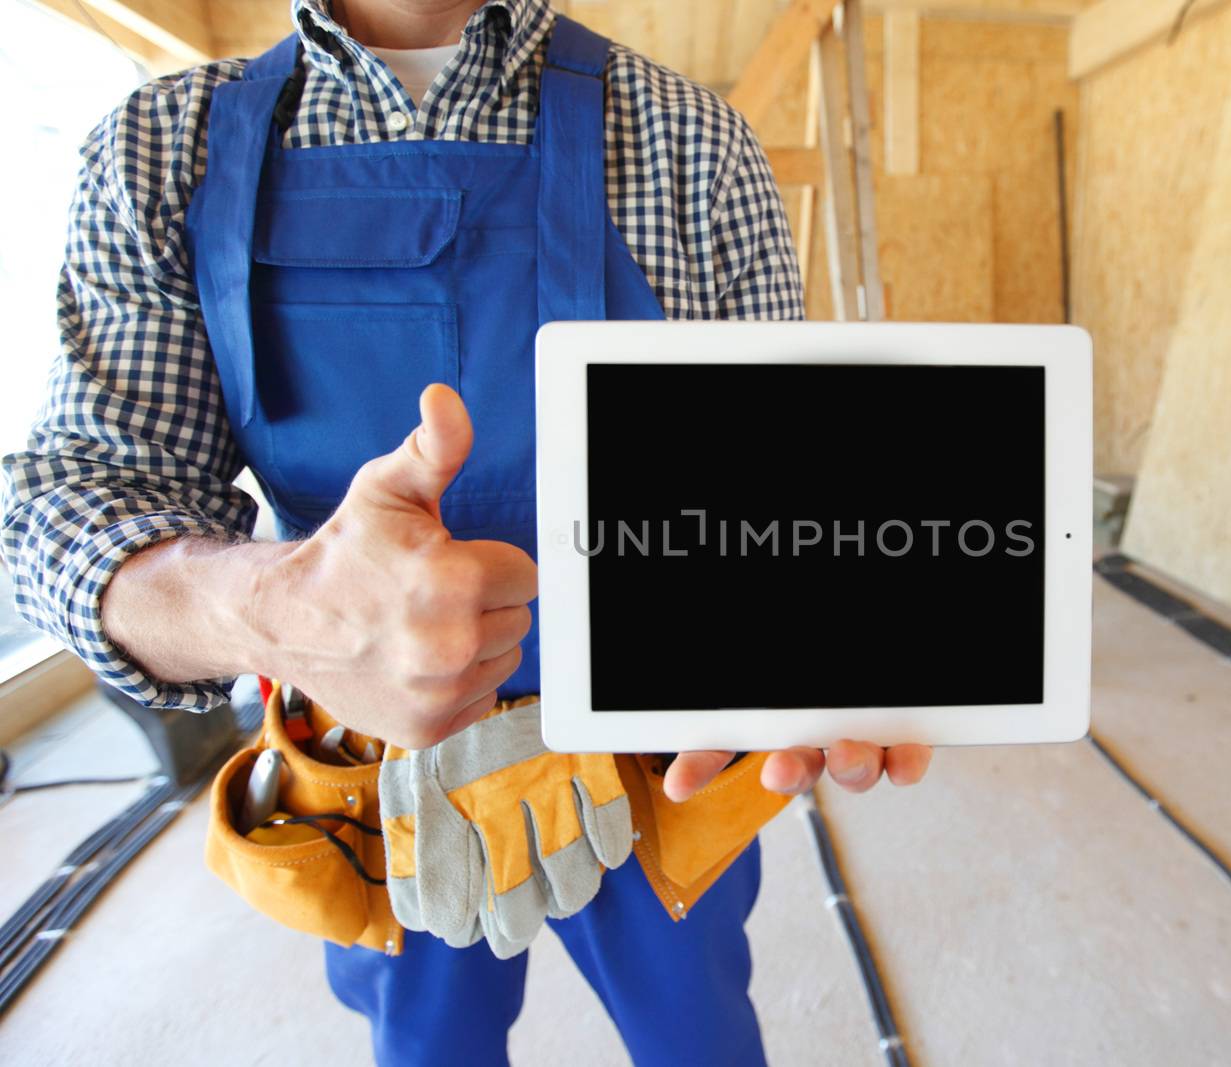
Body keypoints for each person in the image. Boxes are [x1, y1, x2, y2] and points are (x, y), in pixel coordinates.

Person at [0, 1, 932, 1064]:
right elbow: (77, 500)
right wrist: (276, 610)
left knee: (699, 1031)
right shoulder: (165, 150)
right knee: (428, 1045)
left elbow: (782, 470)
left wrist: (853, 627)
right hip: (376, 754)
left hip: (662, 735)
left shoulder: (690, 139)